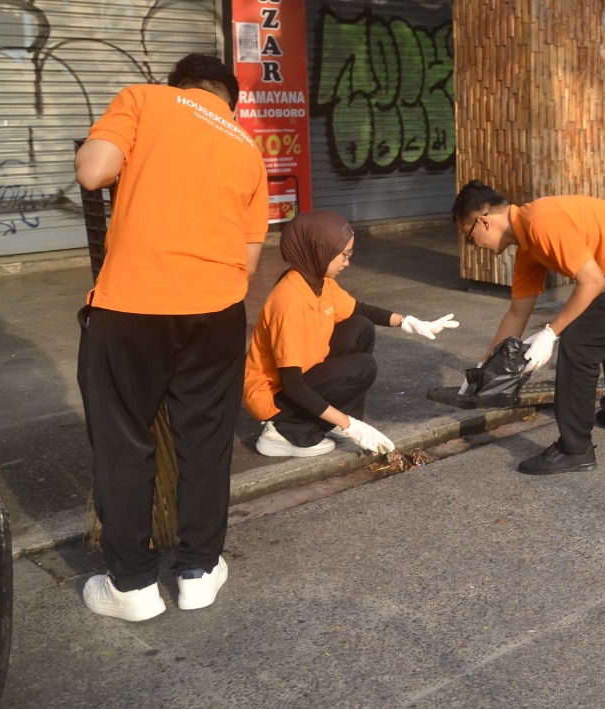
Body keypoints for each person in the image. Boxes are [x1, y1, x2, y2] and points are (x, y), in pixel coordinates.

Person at [73, 53, 268, 622]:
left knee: (123, 441)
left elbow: (93, 172)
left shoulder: (143, 99)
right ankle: (199, 572)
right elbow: (249, 264)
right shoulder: (246, 145)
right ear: (227, 100)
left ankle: (132, 587)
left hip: (131, 308)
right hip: (217, 313)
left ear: (177, 85)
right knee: (205, 443)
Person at [453, 182, 605, 474]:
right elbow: (516, 313)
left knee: (578, 341)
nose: (475, 248)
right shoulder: (528, 249)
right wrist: (483, 368)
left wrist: (551, 332)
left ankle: (575, 449)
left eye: (470, 238)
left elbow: (593, 282)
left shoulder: (539, 220)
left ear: (483, 221)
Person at [244, 210, 456, 458]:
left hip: (302, 376)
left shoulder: (319, 282)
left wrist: (410, 322)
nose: (347, 262)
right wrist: (350, 426)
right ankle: (286, 432)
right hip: (275, 397)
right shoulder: (288, 301)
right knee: (362, 367)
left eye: (349, 253)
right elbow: (292, 385)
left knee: (360, 327)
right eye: (343, 255)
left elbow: (361, 309)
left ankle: (328, 420)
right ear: (319, 250)